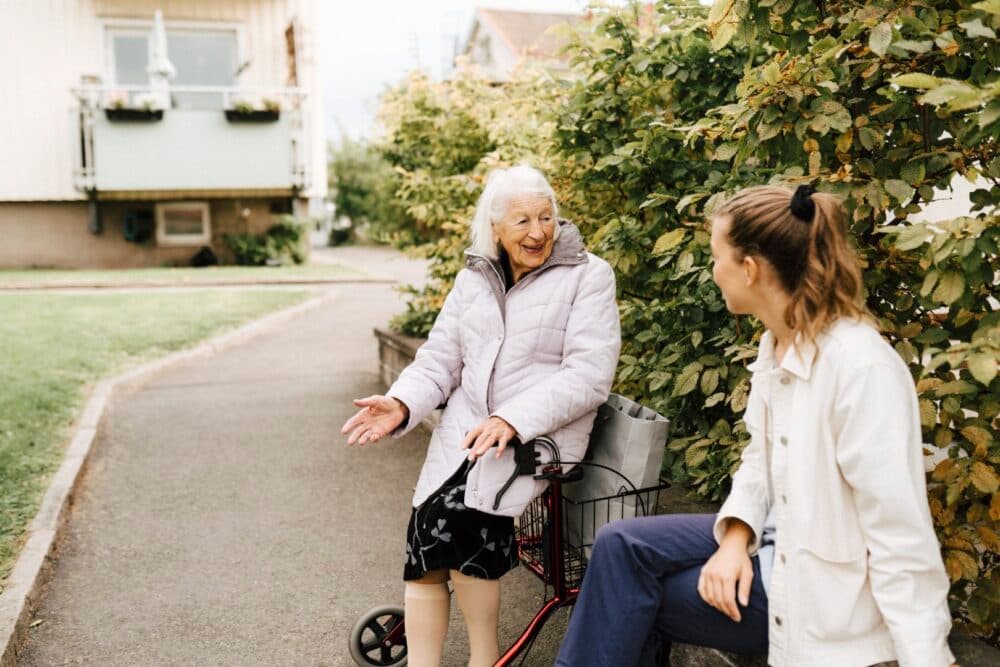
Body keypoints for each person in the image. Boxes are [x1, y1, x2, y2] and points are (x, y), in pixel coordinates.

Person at [555, 185, 957, 667]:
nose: (712, 271)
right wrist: (734, 538)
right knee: (619, 546)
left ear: (749, 269)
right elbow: (759, 460)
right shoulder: (777, 345)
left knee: (630, 598)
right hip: (773, 535)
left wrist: (929, 657)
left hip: (816, 588)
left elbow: (899, 534)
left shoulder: (860, 368)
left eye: (716, 257)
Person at [340, 165, 621, 667]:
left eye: (546, 217)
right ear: (495, 228)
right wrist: (401, 403)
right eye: (521, 221)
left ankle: (484, 659)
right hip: (470, 434)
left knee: (460, 522)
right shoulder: (474, 278)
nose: (538, 232)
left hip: (539, 439)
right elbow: (440, 360)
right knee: (425, 525)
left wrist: (512, 419)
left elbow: (590, 375)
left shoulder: (589, 275)